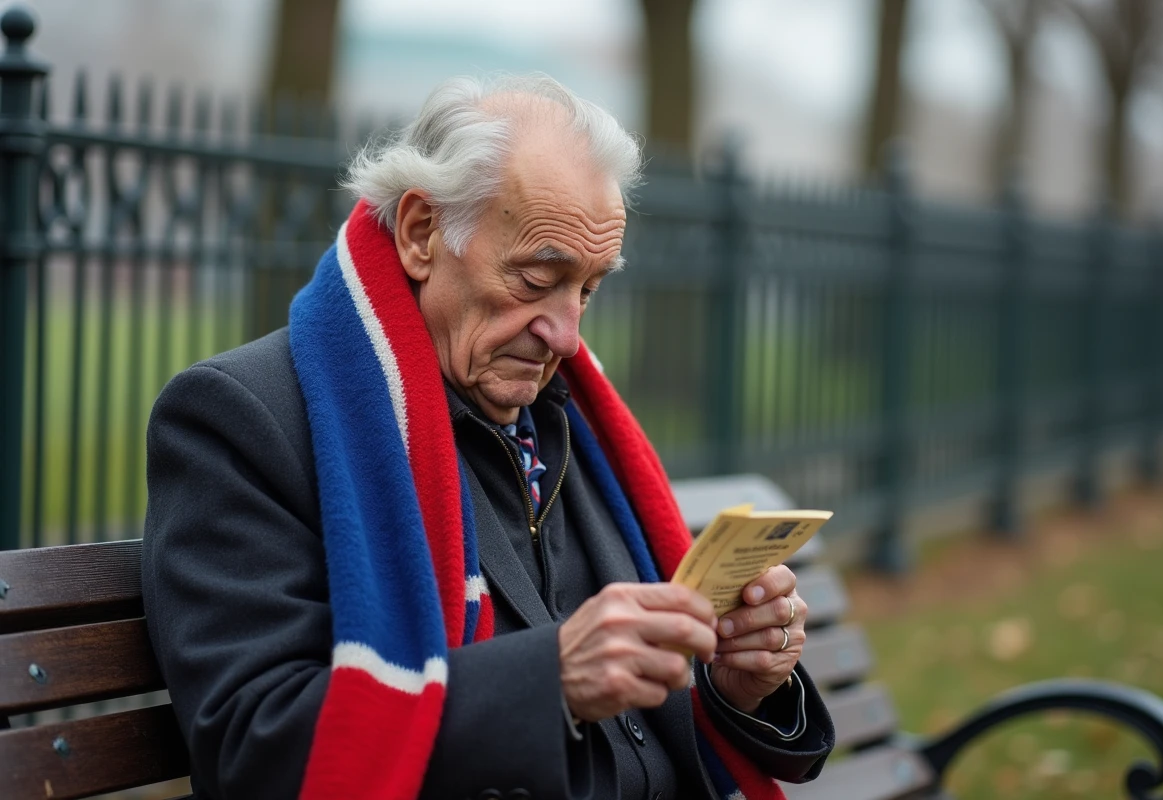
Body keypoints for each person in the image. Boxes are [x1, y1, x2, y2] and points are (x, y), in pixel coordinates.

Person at [143, 74, 834, 800]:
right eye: (538, 278)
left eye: (589, 289)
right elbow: (251, 752)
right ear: (421, 233)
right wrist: (551, 680)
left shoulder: (559, 411)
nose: (568, 335)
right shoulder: (241, 418)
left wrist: (734, 686)